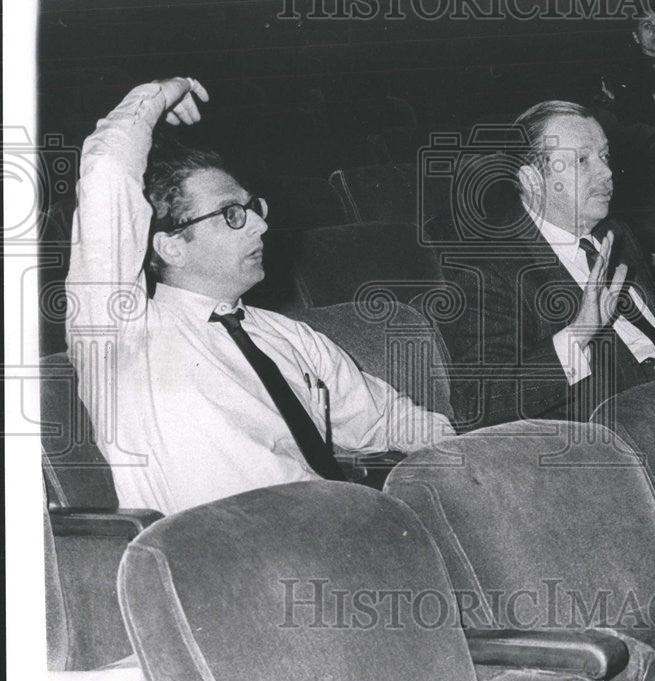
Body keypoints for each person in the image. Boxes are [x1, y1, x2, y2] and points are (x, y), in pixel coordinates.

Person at [65, 78, 453, 515]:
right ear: (171, 245)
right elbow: (106, 177)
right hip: (229, 559)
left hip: (343, 532)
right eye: (232, 214)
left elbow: (385, 419)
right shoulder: (123, 332)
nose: (260, 226)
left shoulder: (290, 336)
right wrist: (157, 97)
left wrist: (460, 460)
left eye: (254, 209)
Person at [442, 100, 655, 430]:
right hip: (618, 431)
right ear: (532, 181)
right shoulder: (490, 273)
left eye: (604, 156)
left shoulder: (615, 233)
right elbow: (478, 401)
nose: (606, 172)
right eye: (582, 161)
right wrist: (579, 333)